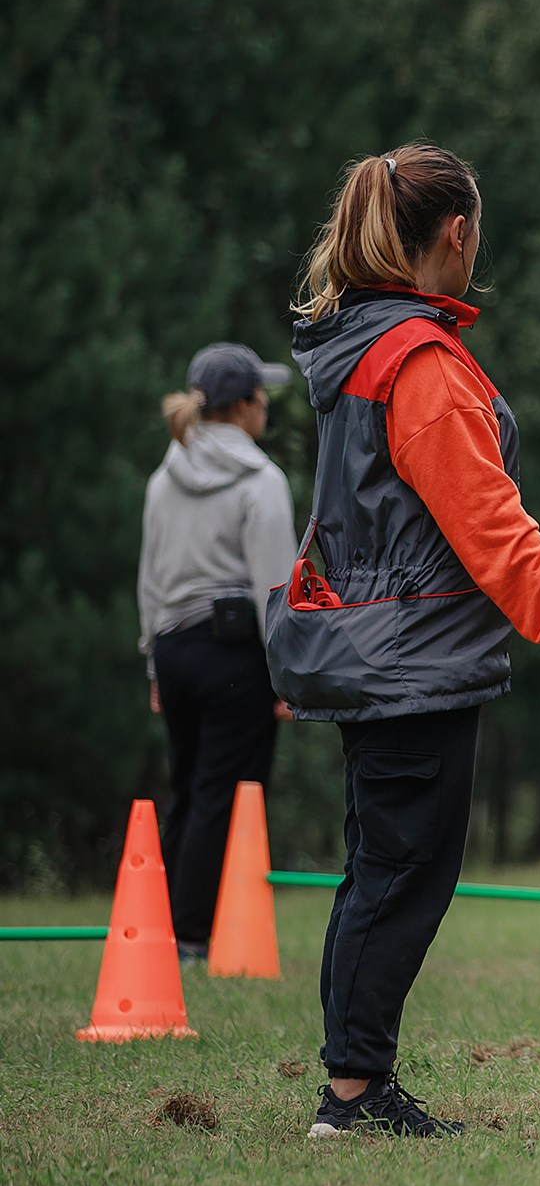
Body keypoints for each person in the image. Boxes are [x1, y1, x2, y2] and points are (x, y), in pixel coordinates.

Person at [271, 143, 540, 1138]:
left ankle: (357, 1086)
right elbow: (490, 527)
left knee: (383, 870)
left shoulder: (365, 347)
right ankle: (351, 1097)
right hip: (411, 664)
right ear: (458, 233)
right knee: (400, 875)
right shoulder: (419, 365)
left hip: (386, 653)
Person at [138, 344, 299, 961]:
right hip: (235, 653)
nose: (266, 408)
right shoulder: (260, 480)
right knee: (226, 792)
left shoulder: (162, 477)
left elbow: (149, 581)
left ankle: (163, 927)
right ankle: (193, 935)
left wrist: (156, 662)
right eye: (261, 397)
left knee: (188, 786)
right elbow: (274, 587)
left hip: (175, 648)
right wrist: (287, 676)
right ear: (243, 407)